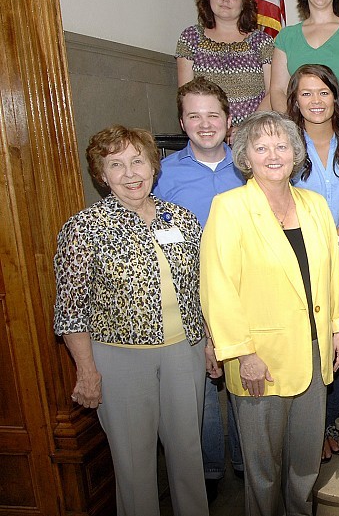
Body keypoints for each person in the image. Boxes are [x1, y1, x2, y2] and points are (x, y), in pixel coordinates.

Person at [200, 111, 339, 516]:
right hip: (260, 360)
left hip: (314, 349)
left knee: (304, 463)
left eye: (282, 146)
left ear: (296, 154)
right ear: (246, 157)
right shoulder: (229, 208)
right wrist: (242, 353)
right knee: (263, 471)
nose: (273, 154)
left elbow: (331, 274)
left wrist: (338, 328)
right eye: (261, 147)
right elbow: (217, 287)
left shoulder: (315, 205)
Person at [54, 125, 209, 516]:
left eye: (138, 161)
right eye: (116, 165)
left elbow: (202, 286)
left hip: (184, 352)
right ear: (102, 175)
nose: (130, 173)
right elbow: (70, 310)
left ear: (153, 167)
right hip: (121, 360)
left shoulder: (183, 219)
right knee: (135, 466)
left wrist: (208, 342)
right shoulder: (85, 228)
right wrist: (87, 371)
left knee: (189, 456)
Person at [153, 78, 246, 498]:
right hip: (186, 294)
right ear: (181, 121)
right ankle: (208, 470)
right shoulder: (162, 175)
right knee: (203, 387)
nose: (204, 124)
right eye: (194, 116)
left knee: (246, 378)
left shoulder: (250, 167)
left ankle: (249, 463)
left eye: (213, 115)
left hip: (246, 291)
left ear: (229, 120)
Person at [285, 64, 339, 461]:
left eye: (323, 92)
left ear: (336, 96)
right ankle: (310, 426)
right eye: (306, 93)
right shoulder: (283, 145)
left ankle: (330, 420)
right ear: (294, 100)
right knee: (309, 347)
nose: (315, 101)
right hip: (298, 266)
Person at [176, 0, 273, 125]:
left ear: (244, 3)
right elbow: (186, 96)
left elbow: (272, 93)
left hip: (252, 134)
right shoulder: (191, 38)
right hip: (206, 132)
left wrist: (246, 130)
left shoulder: (262, 42)